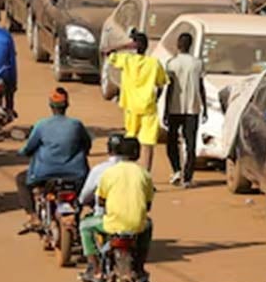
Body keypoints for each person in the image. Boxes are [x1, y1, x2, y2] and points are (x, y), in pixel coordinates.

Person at [79, 136, 154, 282]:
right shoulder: (144, 173)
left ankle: (95, 269)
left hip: (111, 223)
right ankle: (139, 267)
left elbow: (100, 200)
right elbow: (148, 204)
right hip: (137, 224)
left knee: (84, 226)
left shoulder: (108, 172)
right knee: (149, 226)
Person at [16, 87, 92, 218]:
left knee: (21, 179)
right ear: (67, 105)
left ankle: (32, 216)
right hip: (76, 174)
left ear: (50, 105)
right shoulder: (76, 125)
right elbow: (87, 144)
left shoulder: (41, 125)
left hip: (44, 174)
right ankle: (77, 213)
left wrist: (21, 152)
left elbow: (29, 147)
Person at [106, 31, 167, 174]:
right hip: (148, 106)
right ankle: (146, 174)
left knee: (130, 140)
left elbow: (107, 52)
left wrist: (124, 45)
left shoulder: (127, 59)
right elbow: (161, 83)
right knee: (148, 144)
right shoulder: (154, 63)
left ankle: (129, 173)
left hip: (131, 107)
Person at [163, 32, 206, 187]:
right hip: (192, 108)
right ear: (191, 45)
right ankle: (187, 177)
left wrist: (166, 111)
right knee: (191, 144)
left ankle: (176, 170)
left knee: (172, 142)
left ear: (178, 45)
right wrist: (204, 107)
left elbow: (170, 88)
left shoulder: (171, 63)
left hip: (175, 108)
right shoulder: (198, 63)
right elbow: (201, 87)